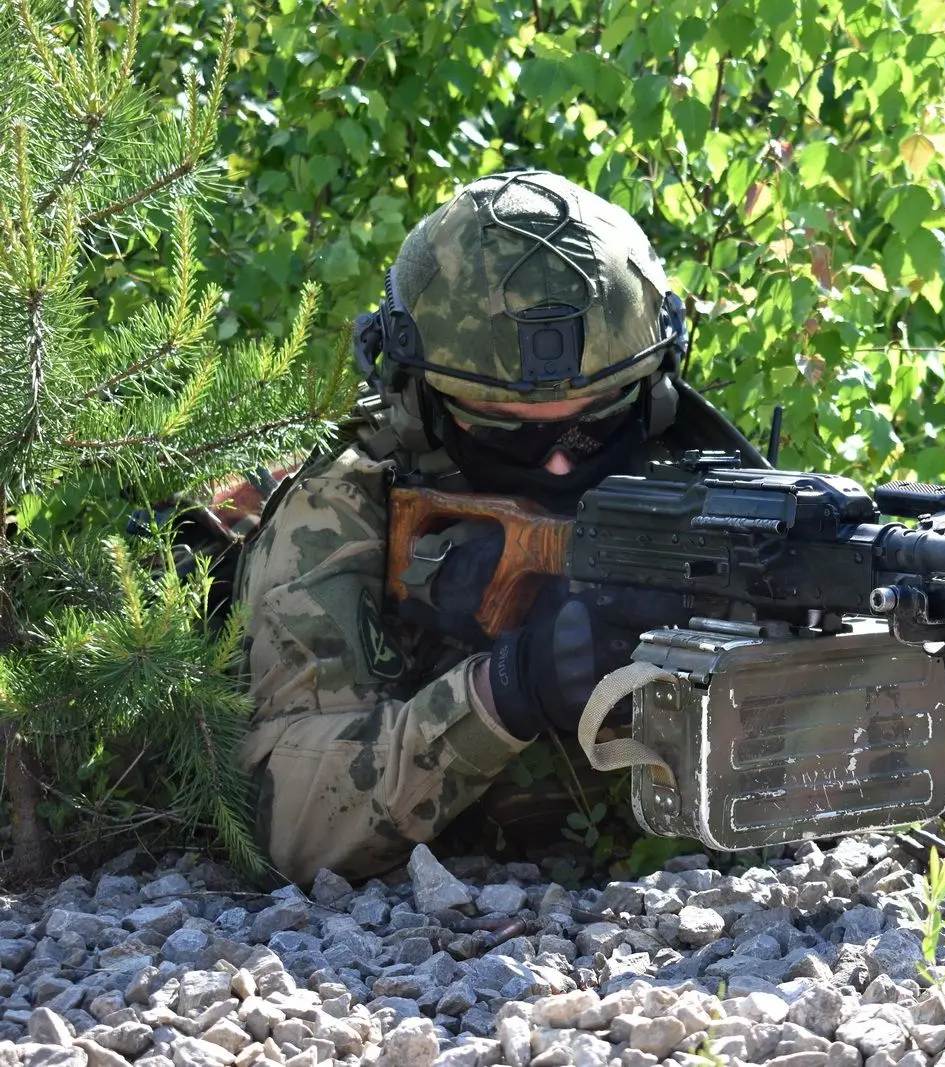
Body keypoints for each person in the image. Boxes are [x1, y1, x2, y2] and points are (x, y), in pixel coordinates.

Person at [234, 170, 764, 884]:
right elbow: (288, 821)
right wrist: (506, 691)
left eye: (596, 426)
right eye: (503, 432)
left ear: (658, 389)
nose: (556, 462)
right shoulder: (345, 506)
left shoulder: (703, 489)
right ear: (420, 405)